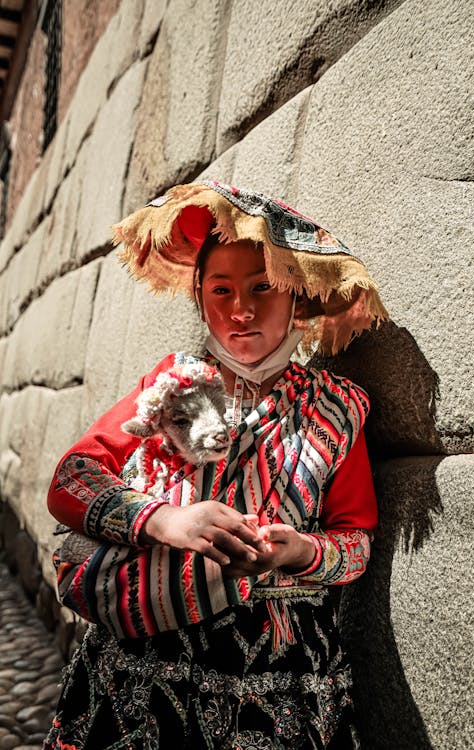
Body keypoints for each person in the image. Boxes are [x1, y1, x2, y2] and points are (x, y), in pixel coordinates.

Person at [43, 180, 388, 750]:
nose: (242, 310)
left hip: (283, 682)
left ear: (297, 299)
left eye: (262, 288)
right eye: (221, 289)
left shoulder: (336, 408)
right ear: (200, 296)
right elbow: (73, 479)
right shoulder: (174, 383)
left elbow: (356, 542)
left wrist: (302, 552)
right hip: (146, 672)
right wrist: (165, 521)